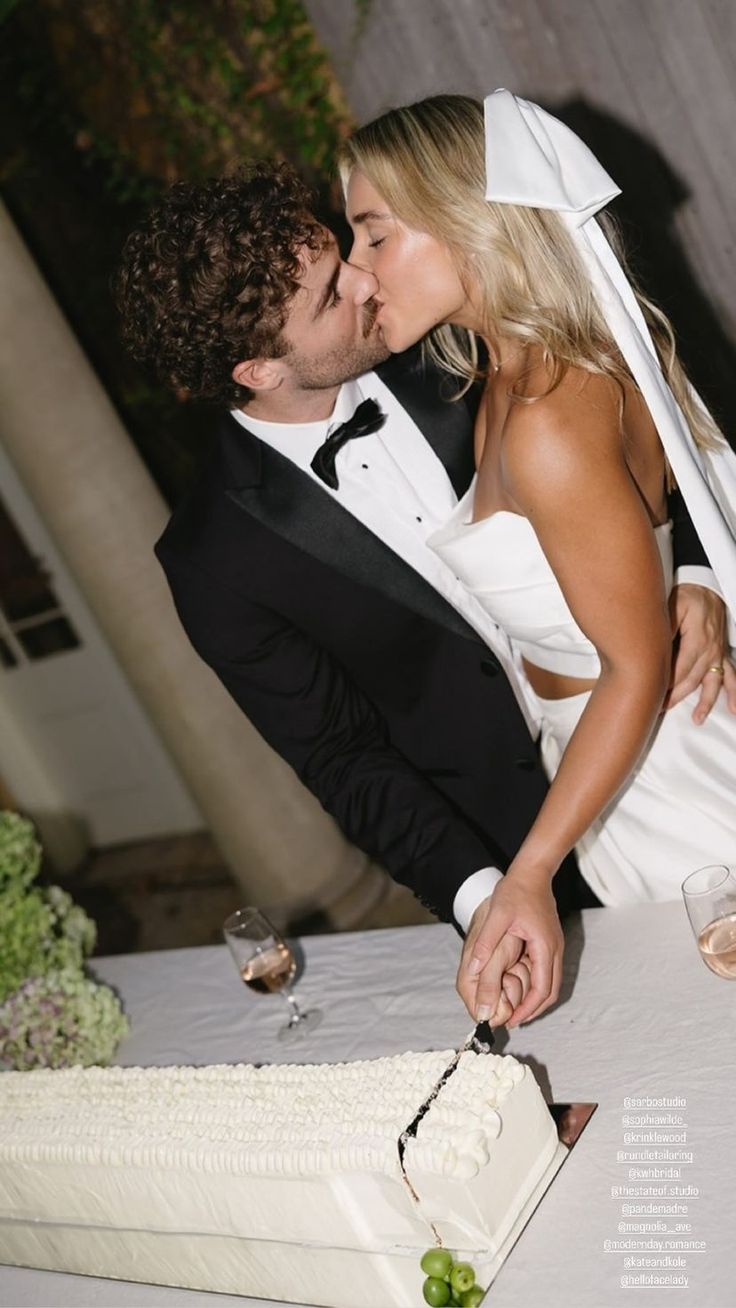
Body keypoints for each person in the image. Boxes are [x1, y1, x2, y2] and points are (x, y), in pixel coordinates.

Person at [115, 161, 726, 1029]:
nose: (370, 280)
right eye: (331, 295)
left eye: (344, 251)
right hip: (512, 850)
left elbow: (647, 401)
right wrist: (487, 898)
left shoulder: (450, 334)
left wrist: (699, 569)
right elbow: (341, 759)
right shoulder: (214, 558)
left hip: (682, 725)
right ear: (257, 370)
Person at [338, 90, 736, 1016]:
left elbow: (634, 667)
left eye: (374, 236)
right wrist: (693, 586)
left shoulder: (547, 411)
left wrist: (529, 874)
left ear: (464, 219)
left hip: (668, 781)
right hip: (627, 771)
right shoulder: (522, 374)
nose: (357, 274)